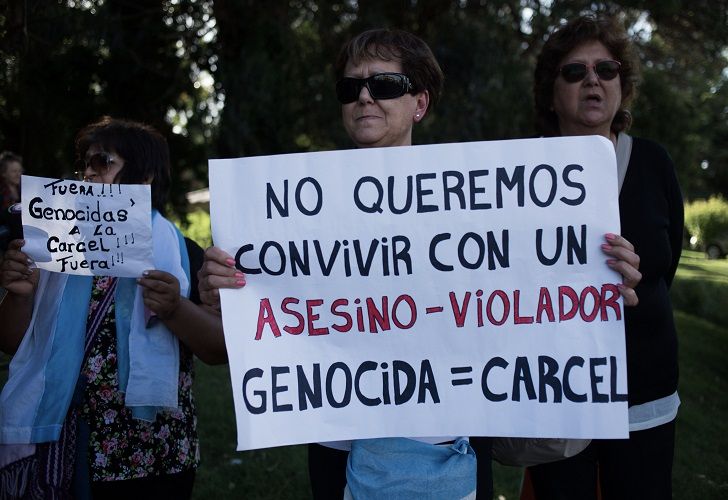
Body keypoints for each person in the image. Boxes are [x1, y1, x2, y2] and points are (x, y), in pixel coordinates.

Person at [197, 28, 642, 500]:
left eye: (385, 84)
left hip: (451, 440)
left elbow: (526, 295)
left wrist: (599, 284)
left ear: (420, 104)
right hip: (337, 439)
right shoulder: (288, 214)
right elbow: (266, 325)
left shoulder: (481, 206)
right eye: (351, 87)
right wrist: (225, 294)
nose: (364, 97)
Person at [0, 116, 226, 499]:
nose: (88, 173)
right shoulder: (51, 248)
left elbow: (218, 349)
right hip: (60, 444)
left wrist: (174, 310)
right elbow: (10, 342)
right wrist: (19, 294)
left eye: (103, 162)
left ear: (145, 177)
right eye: (85, 164)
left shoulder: (184, 254)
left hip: (153, 453)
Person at [526, 15, 684, 500]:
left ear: (622, 86)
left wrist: (631, 289)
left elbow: (667, 262)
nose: (592, 80)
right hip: (557, 393)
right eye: (574, 72)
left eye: (606, 69)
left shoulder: (655, 163)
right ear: (553, 96)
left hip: (646, 392)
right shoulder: (521, 173)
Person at [0, 151, 23, 251]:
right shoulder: (1, 193)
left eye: (19, 171)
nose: (18, 174)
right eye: (14, 171)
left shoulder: (24, 191)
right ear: (4, 173)